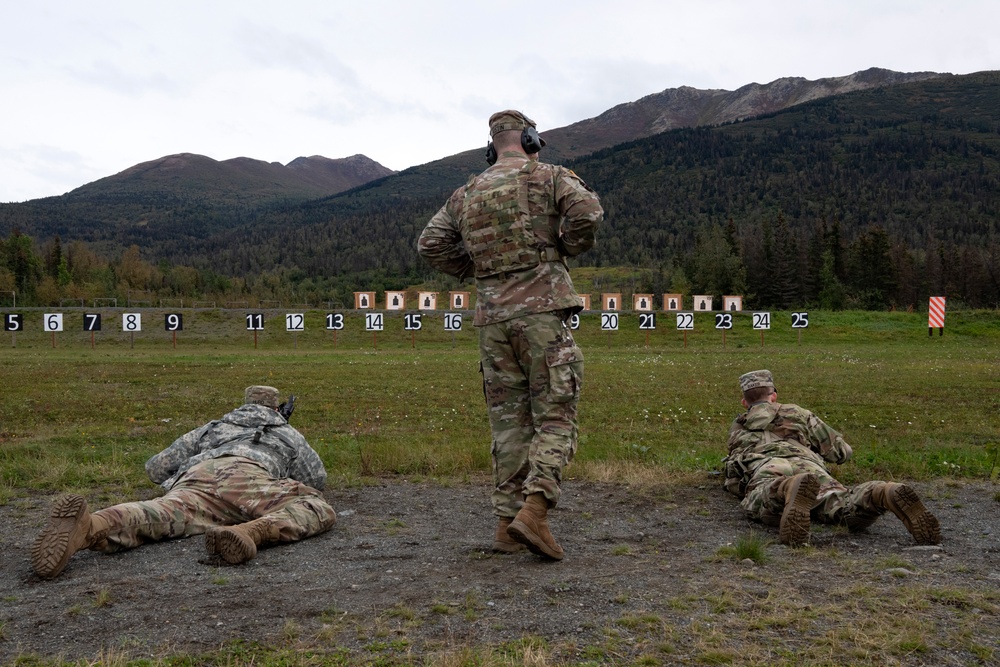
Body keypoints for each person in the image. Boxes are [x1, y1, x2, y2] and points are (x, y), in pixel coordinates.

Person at [418, 110, 603, 560]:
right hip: (541, 313)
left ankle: (505, 523)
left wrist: (476, 269)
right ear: (530, 138)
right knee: (556, 415)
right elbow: (588, 213)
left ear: (491, 146)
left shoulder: (466, 194)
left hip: (492, 320)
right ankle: (535, 511)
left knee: (509, 424)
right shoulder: (548, 176)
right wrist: (563, 249)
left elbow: (430, 243)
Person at [32, 386, 337, 579]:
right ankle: (252, 531)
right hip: (250, 477)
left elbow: (156, 467)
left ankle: (91, 526)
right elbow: (316, 479)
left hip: (197, 477)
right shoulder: (284, 431)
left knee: (157, 515)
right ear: (275, 408)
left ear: (244, 404)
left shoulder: (214, 427)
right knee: (315, 506)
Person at [723, 370, 941, 547]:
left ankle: (786, 488)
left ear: (744, 402)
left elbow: (734, 470)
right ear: (774, 395)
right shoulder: (798, 413)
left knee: (760, 498)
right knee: (841, 505)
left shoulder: (739, 425)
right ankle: (880, 493)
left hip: (768, 466)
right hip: (808, 464)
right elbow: (841, 452)